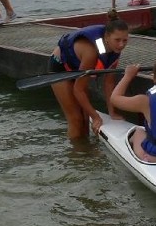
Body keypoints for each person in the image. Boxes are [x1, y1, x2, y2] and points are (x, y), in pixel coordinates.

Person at [49, 11, 129, 139]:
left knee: (85, 119)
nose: (121, 44)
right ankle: (75, 155)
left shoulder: (114, 50)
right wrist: (96, 117)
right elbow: (78, 90)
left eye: (125, 40)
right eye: (117, 40)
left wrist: (112, 112)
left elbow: (109, 83)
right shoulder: (91, 52)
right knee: (76, 119)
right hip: (60, 68)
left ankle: (86, 153)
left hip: (78, 69)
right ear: (106, 37)